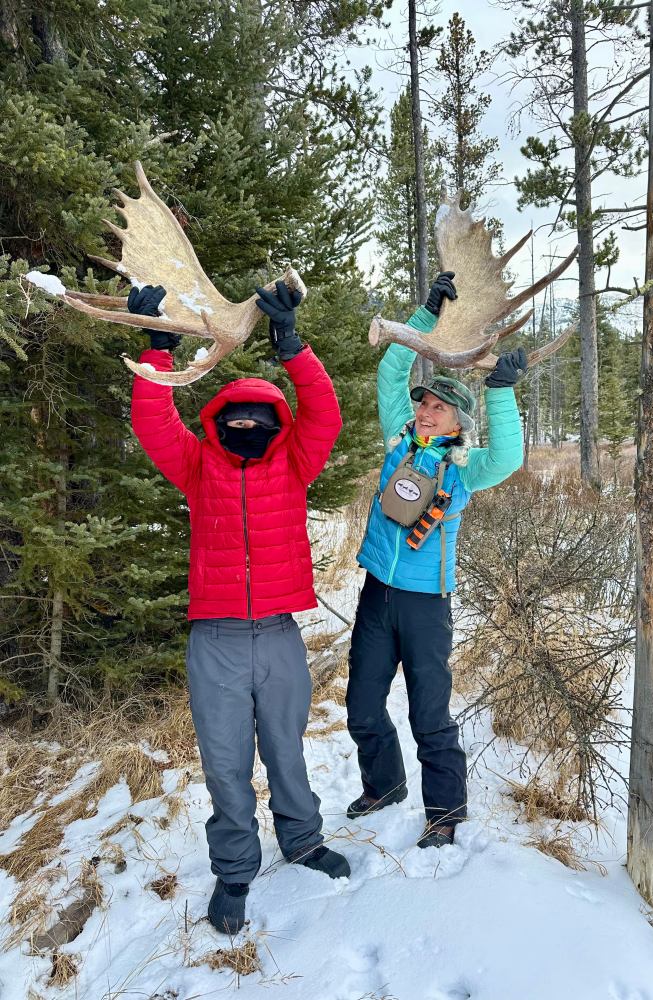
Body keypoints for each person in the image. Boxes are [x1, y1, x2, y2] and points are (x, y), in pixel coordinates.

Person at [129, 280, 350, 935]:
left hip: (279, 635)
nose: (247, 426)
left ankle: (303, 840)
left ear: (277, 426)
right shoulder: (199, 468)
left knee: (286, 750)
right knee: (225, 764)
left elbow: (325, 414)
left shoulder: (294, 466)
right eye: (236, 418)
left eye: (261, 418)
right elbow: (152, 423)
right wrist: (158, 348)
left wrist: (293, 346)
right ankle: (233, 870)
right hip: (217, 642)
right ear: (218, 424)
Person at [345, 272, 526, 848]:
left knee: (430, 713)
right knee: (362, 705)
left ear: (457, 422)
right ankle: (385, 784)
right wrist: (423, 316)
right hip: (378, 594)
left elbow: (509, 459)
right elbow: (391, 371)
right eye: (424, 403)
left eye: (439, 409)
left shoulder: (464, 470)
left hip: (426, 605)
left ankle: (445, 811)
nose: (425, 411)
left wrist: (499, 391)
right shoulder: (398, 441)